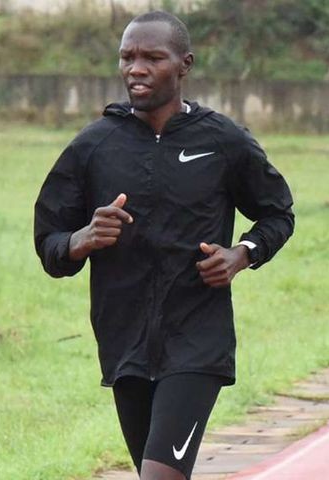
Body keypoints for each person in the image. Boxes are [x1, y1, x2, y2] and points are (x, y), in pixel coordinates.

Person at [33, 11, 295, 480]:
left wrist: (242, 254)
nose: (136, 69)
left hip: (197, 341)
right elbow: (49, 243)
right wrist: (82, 239)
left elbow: (278, 213)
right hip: (124, 345)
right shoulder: (93, 146)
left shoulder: (223, 140)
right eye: (127, 57)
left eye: (152, 58)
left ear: (184, 64)